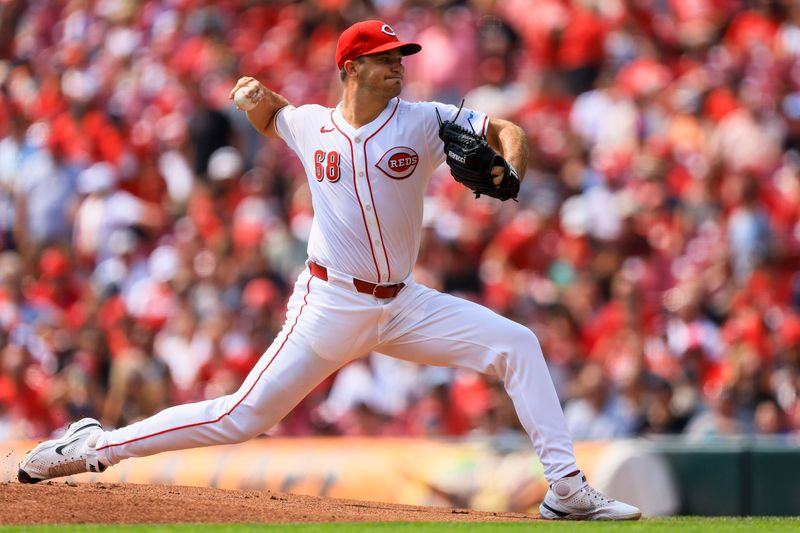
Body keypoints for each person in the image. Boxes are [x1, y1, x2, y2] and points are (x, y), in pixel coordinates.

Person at [18, 20, 640, 521]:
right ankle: (92, 447)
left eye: (401, 56)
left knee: (518, 344)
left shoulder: (422, 120)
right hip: (330, 304)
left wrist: (512, 168)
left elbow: (505, 129)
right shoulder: (313, 125)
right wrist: (251, 100)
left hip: (403, 305)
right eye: (386, 57)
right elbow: (277, 116)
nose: (399, 65)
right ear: (351, 68)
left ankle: (566, 489)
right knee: (240, 419)